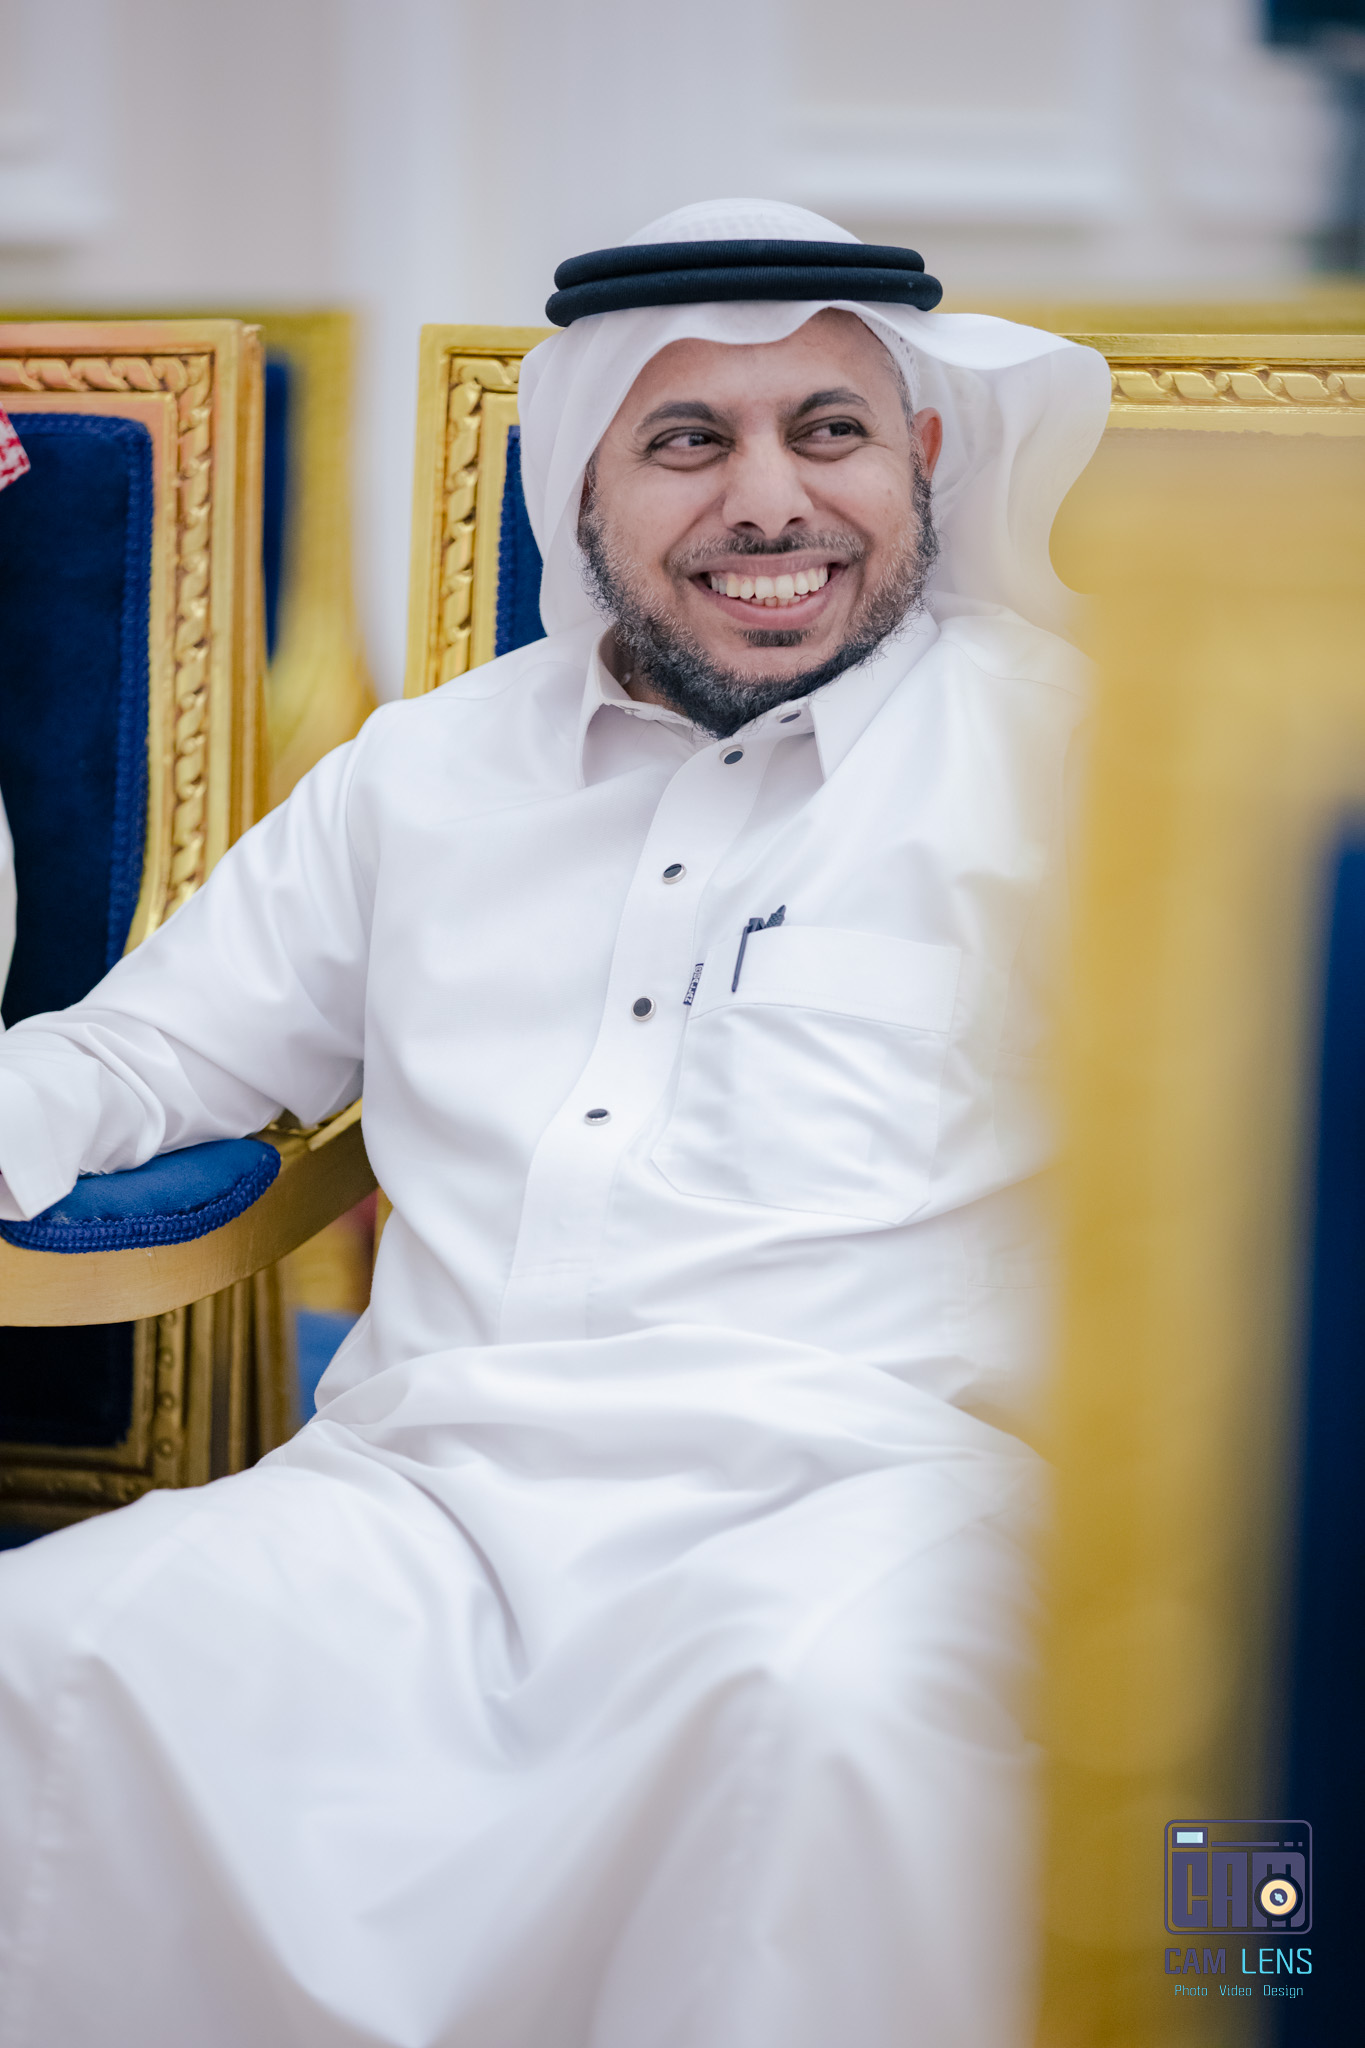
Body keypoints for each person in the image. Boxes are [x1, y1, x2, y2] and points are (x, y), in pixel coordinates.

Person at [0, 198, 1110, 2048]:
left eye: (828, 431)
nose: (770, 502)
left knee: (828, 1729)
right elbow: (143, 1058)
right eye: (688, 442)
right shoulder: (427, 773)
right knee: (56, 1655)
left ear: (923, 451)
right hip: (421, 1499)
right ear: (580, 483)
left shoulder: (1069, 754)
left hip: (878, 1501)